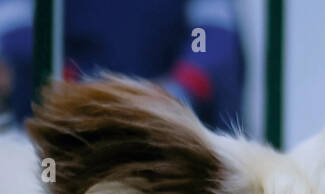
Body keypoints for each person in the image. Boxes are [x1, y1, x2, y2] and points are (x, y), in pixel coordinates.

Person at [0, 0, 244, 132]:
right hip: (63, 124)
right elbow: (16, 30)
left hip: (163, 126)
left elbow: (212, 35)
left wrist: (179, 86)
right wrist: (75, 88)